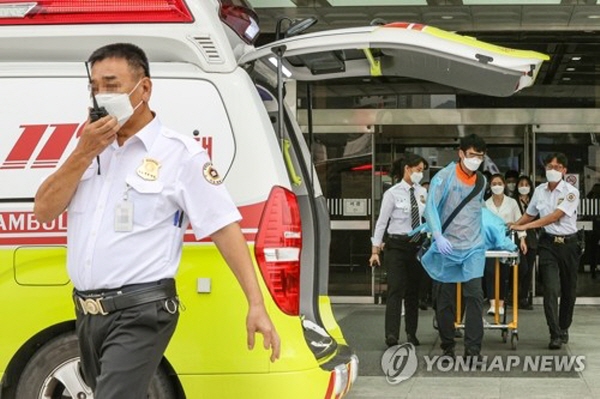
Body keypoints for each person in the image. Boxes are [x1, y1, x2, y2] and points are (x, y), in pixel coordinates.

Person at [33, 43, 280, 398]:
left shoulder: (179, 154)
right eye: (94, 86)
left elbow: (224, 227)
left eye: (112, 84)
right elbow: (43, 210)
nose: (101, 95)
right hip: (88, 313)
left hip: (141, 311)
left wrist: (256, 304)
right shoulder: (85, 149)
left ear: (144, 88)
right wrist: (83, 152)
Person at [421, 133, 487, 359]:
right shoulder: (444, 177)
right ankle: (447, 343)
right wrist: (438, 235)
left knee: (475, 296)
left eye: (480, 156)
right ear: (461, 154)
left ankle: (473, 350)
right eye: (471, 155)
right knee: (445, 298)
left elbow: (478, 211)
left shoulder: (482, 180)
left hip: (474, 247)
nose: (475, 160)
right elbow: (430, 208)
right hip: (447, 246)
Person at [511, 152, 581, 350]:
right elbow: (529, 214)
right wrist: (515, 225)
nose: (552, 170)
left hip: (569, 244)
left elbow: (553, 217)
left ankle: (564, 326)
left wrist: (526, 227)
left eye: (557, 167)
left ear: (564, 171)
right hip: (548, 244)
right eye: (549, 166)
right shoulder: (540, 191)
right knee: (550, 289)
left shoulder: (571, 192)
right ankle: (554, 333)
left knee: (569, 290)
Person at [369, 153, 428, 347]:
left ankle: (412, 333)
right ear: (407, 169)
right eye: (418, 170)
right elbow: (382, 222)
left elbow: (427, 218)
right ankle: (391, 334)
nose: (420, 174)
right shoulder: (392, 193)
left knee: (413, 292)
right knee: (395, 290)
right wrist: (375, 249)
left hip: (417, 246)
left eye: (422, 171)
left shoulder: (423, 193)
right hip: (396, 246)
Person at [484, 174, 527, 316]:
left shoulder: (512, 203)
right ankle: (492, 303)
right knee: (490, 271)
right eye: (494, 183)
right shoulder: (486, 203)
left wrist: (522, 239)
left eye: (499, 183)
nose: (497, 186)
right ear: (490, 187)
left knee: (503, 272)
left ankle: (501, 303)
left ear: (503, 185)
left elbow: (519, 222)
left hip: (506, 241)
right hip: (490, 242)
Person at [513, 175, 538, 309]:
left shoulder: (534, 201)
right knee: (522, 268)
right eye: (521, 184)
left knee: (529, 270)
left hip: (532, 238)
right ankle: (513, 294)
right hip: (517, 238)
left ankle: (524, 298)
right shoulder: (513, 201)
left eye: (526, 184)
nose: (524, 187)